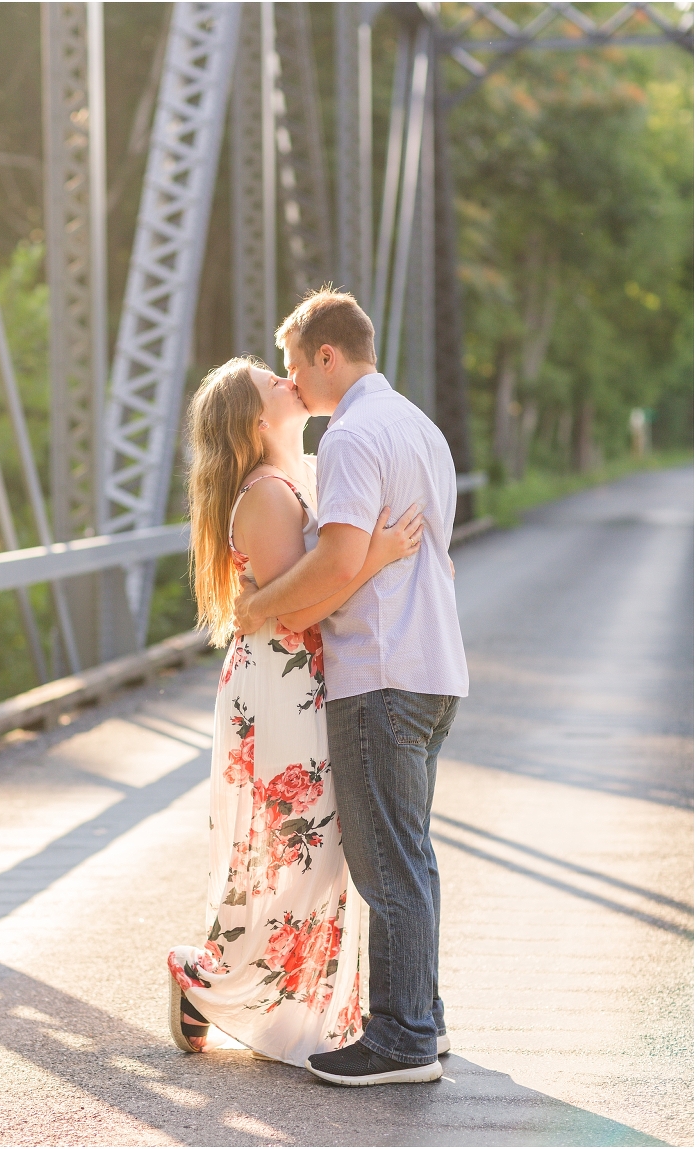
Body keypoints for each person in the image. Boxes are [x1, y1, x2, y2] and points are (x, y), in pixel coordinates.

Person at [234, 289, 469, 1087]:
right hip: (436, 665)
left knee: (387, 865)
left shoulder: (351, 436)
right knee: (413, 855)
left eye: (297, 364)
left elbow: (337, 563)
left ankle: (400, 1036)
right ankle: (422, 1020)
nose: (293, 381)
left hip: (380, 669)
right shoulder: (418, 427)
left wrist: (259, 604)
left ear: (327, 355)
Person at [167, 355, 423, 1068]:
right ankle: (211, 984)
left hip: (292, 681)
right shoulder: (271, 493)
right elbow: (301, 607)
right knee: (300, 848)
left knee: (300, 850)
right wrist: (375, 556)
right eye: (272, 383)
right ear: (257, 420)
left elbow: (283, 601)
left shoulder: (287, 480)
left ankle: (247, 991)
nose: (290, 381)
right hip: (285, 687)